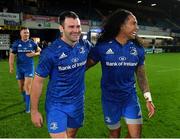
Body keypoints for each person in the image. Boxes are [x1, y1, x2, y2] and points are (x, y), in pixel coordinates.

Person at [87, 9, 155, 138]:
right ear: (121, 25)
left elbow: (141, 76)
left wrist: (148, 98)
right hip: (109, 100)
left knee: (135, 136)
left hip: (130, 98)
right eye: (133, 23)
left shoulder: (138, 50)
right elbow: (83, 67)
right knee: (114, 134)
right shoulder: (102, 47)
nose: (137, 27)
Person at [30, 11, 92, 138]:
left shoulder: (85, 45)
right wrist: (34, 111)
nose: (76, 30)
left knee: (71, 135)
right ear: (61, 28)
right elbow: (37, 81)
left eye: (78, 26)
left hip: (78, 102)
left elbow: (96, 57)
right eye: (71, 27)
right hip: (56, 104)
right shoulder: (50, 53)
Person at [9, 27, 41, 113]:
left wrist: (34, 54)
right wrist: (11, 66)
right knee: (21, 88)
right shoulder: (16, 43)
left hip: (29, 67)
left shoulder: (32, 43)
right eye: (24, 32)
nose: (26, 34)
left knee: (27, 87)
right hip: (19, 68)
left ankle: (28, 108)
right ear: (21, 33)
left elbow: (40, 51)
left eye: (27, 32)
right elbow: (12, 55)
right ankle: (25, 97)